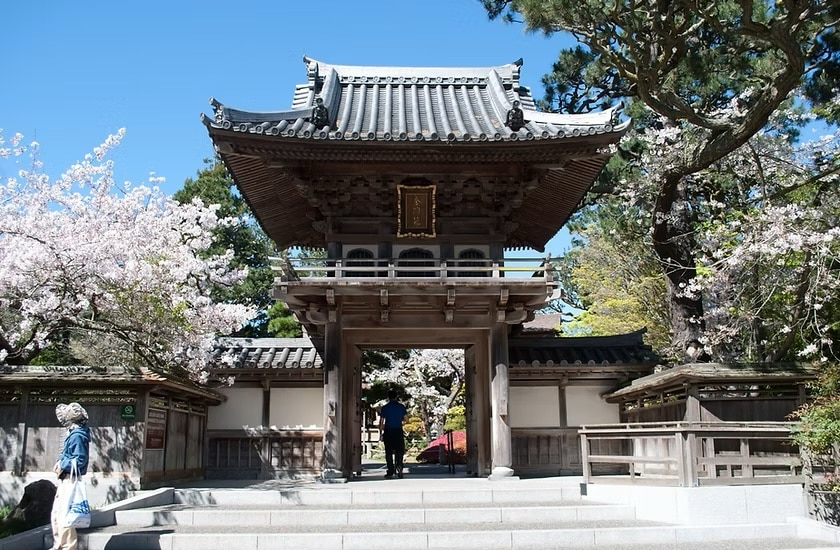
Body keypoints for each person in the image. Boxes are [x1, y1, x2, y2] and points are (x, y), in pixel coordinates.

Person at [51, 402, 90, 550]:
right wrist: (61, 461)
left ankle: (67, 546)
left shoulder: (78, 436)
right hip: (66, 478)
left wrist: (63, 464)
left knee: (64, 516)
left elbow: (80, 459)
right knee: (57, 514)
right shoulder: (75, 433)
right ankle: (60, 544)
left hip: (70, 479)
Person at [378, 389, 407, 479]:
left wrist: (381, 432)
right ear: (396, 397)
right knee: (399, 451)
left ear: (388, 397)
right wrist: (399, 419)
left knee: (389, 452)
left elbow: (381, 422)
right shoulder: (401, 407)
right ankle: (399, 466)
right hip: (398, 430)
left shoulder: (385, 408)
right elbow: (407, 419)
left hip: (388, 431)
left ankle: (390, 470)